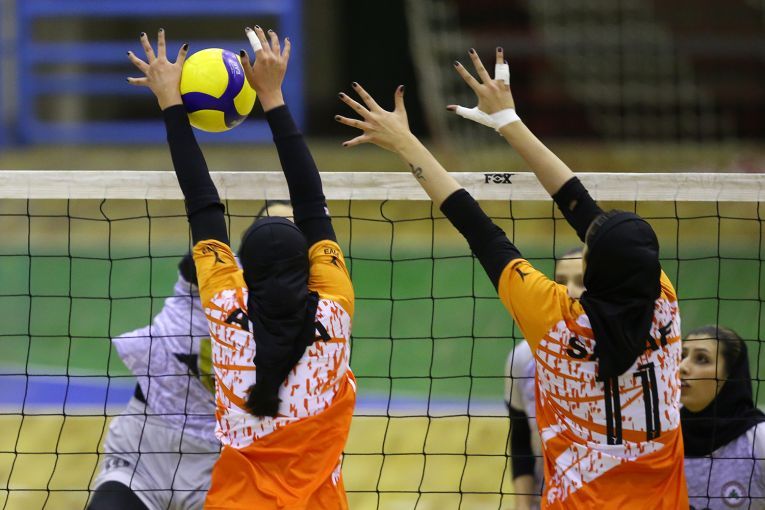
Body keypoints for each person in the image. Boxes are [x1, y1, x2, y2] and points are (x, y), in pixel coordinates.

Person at [336, 47, 686, 508]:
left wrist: (407, 143)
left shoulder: (555, 319)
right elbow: (581, 208)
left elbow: (479, 227)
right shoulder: (662, 301)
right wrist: (508, 120)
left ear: (596, 269)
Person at [127, 27, 356, 509]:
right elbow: (311, 203)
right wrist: (273, 97)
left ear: (244, 274)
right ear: (310, 266)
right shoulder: (334, 313)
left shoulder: (227, 314)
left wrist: (170, 103)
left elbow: (203, 203)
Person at [87, 201, 293, 510]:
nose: (276, 238)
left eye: (289, 229)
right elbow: (203, 238)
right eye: (268, 227)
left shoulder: (314, 315)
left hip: (220, 467)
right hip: (143, 452)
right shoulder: (211, 278)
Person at [506, 248, 583, 510]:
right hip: (547, 499)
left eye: (582, 281)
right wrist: (522, 505)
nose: (569, 291)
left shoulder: (622, 355)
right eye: (560, 282)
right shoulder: (523, 358)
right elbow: (520, 439)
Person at [680, 325, 765, 509]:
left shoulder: (759, 441)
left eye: (701, 359)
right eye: (682, 356)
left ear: (730, 375)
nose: (682, 367)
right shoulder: (662, 430)